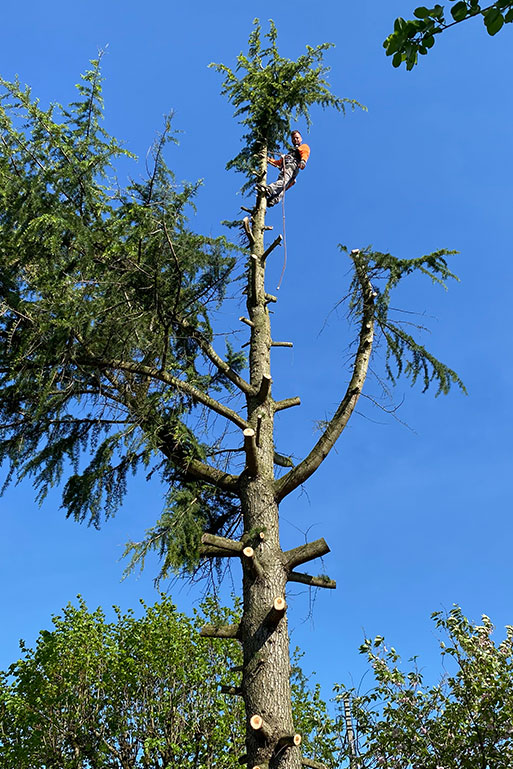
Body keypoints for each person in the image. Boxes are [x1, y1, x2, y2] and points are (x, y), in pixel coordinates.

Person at [256, 130, 310, 207]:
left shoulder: (303, 147)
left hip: (292, 166)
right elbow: (278, 162)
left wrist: (303, 161)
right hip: (290, 168)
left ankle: (269, 189)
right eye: (293, 139)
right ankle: (273, 200)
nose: (295, 140)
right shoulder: (290, 154)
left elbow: (305, 153)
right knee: (283, 185)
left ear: (301, 138)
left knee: (284, 181)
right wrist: (268, 159)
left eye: (297, 138)